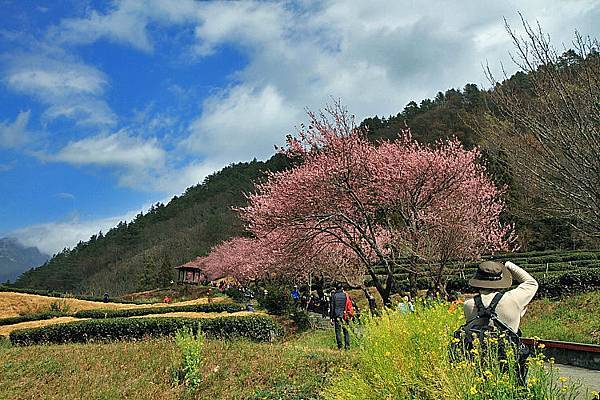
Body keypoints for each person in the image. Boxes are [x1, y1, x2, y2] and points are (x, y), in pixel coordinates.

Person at [463, 260, 538, 383]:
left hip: (479, 363)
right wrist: (507, 265)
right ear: (500, 280)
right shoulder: (513, 299)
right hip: (510, 360)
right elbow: (531, 283)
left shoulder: (468, 305)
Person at [330, 283, 351, 350]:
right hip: (345, 315)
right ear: (342, 288)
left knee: (338, 331)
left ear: (336, 288)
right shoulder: (345, 295)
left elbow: (332, 307)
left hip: (337, 315)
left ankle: (340, 346)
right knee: (346, 331)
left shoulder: (334, 296)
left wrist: (331, 317)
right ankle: (347, 346)